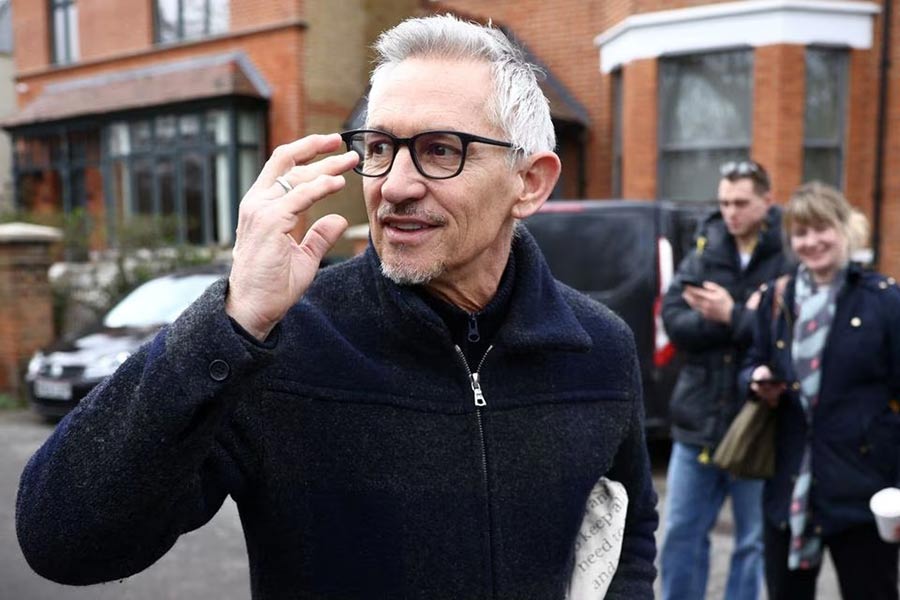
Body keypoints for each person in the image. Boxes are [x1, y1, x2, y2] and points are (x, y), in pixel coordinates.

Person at [16, 14, 659, 599]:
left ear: (530, 182)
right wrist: (230, 320)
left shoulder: (596, 346)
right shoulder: (279, 345)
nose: (394, 186)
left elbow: (627, 529)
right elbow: (62, 541)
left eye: (440, 150)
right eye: (379, 148)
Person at [742, 181, 900, 600]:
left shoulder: (883, 300)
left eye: (821, 229)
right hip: (789, 488)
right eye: (801, 232)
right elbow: (752, 361)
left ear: (844, 228)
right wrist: (756, 380)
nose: (811, 242)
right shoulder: (777, 298)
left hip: (863, 491)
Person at [659, 159, 793, 600]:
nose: (730, 212)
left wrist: (730, 313)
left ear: (766, 201)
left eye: (740, 203)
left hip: (757, 422)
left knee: (752, 541)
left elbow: (789, 336)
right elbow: (674, 320)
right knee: (681, 533)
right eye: (724, 203)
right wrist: (740, 319)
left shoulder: (788, 255)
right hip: (698, 418)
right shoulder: (706, 246)